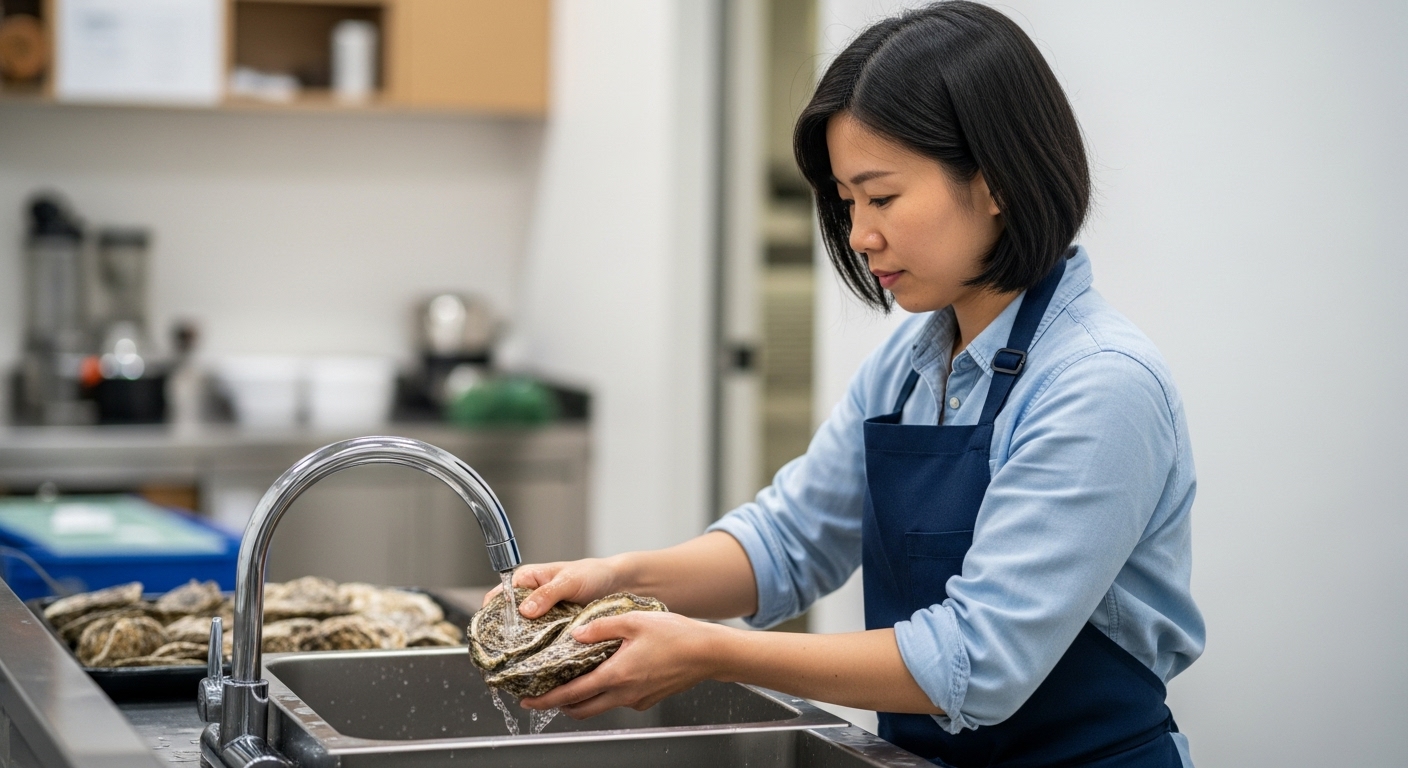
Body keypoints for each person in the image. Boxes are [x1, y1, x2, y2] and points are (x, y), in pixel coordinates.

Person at [493, 3, 1204, 765]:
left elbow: (979, 658)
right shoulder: (909, 365)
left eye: (883, 196)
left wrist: (709, 652)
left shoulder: (1100, 384)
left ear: (995, 181)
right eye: (847, 202)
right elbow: (790, 541)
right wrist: (617, 578)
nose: (861, 235)